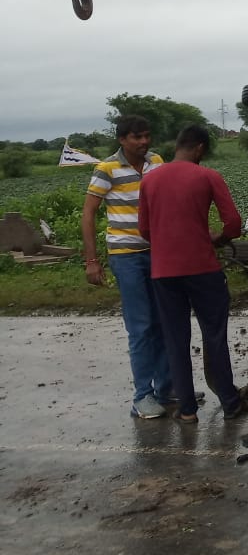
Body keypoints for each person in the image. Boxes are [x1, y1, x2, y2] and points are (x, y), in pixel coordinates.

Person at [138, 124, 248, 423]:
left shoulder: (149, 180)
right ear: (199, 148)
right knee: (214, 335)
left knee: (175, 339)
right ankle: (230, 402)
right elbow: (233, 223)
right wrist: (216, 239)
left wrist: (167, 245)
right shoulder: (207, 176)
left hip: (164, 272)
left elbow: (144, 230)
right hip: (203, 269)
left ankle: (187, 410)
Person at [82, 115, 173, 418]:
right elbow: (89, 215)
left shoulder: (156, 161)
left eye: (146, 136)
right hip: (126, 256)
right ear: (122, 139)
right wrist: (92, 261)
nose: (143, 142)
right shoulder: (106, 169)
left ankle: (166, 388)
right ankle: (142, 396)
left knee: (162, 322)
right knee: (141, 326)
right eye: (136, 137)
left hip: (158, 253)